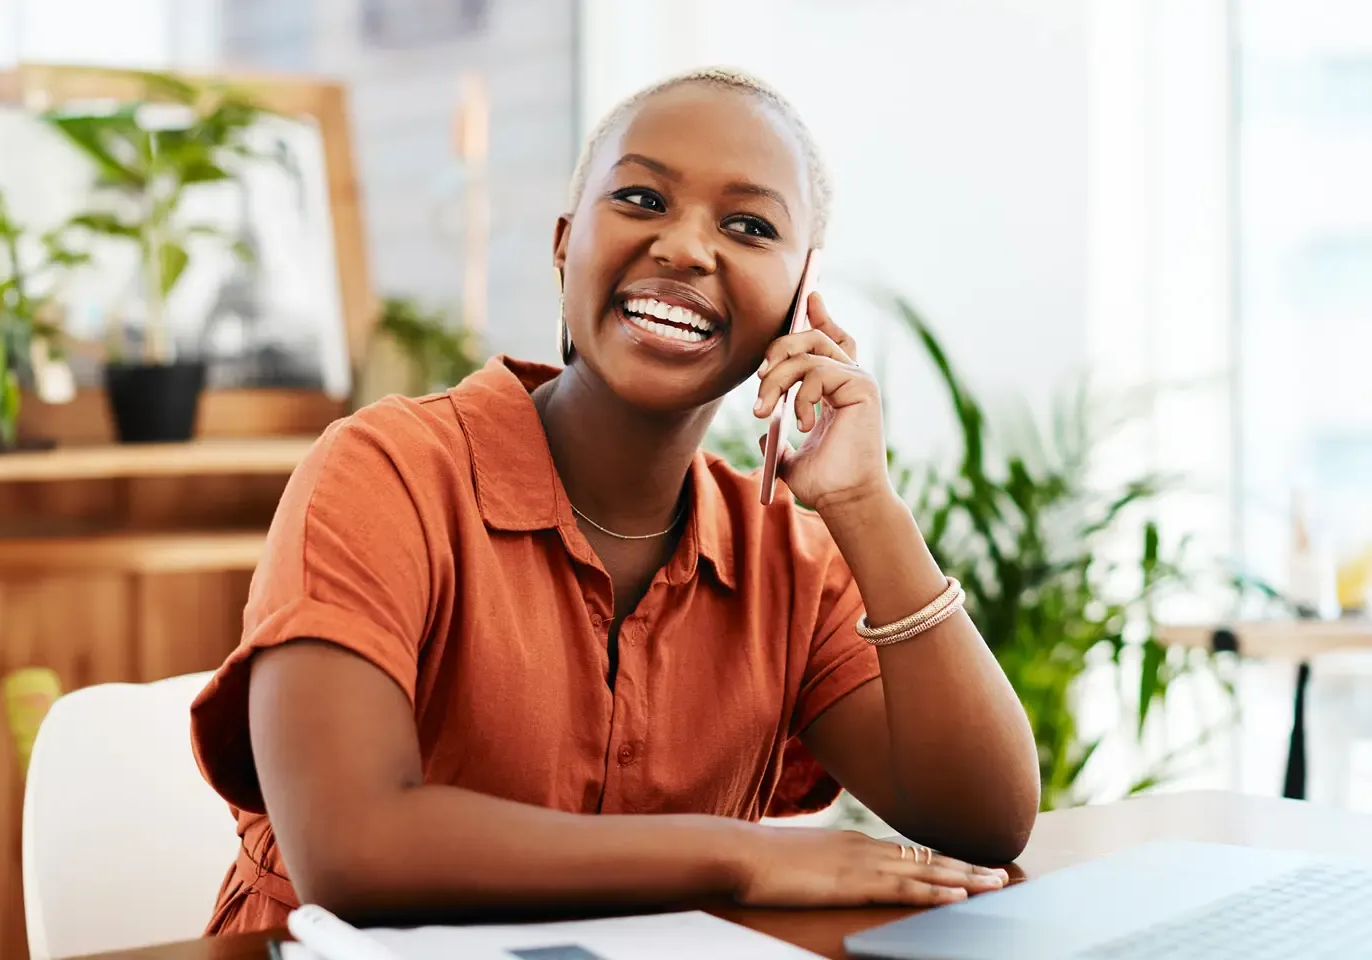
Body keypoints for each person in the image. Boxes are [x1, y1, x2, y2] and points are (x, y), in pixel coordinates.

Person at [190, 67, 1040, 934]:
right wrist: (739, 856)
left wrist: (865, 502)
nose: (685, 248)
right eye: (641, 199)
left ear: (799, 300)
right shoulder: (385, 472)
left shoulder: (786, 558)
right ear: (565, 245)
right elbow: (353, 850)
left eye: (749, 226)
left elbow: (986, 821)